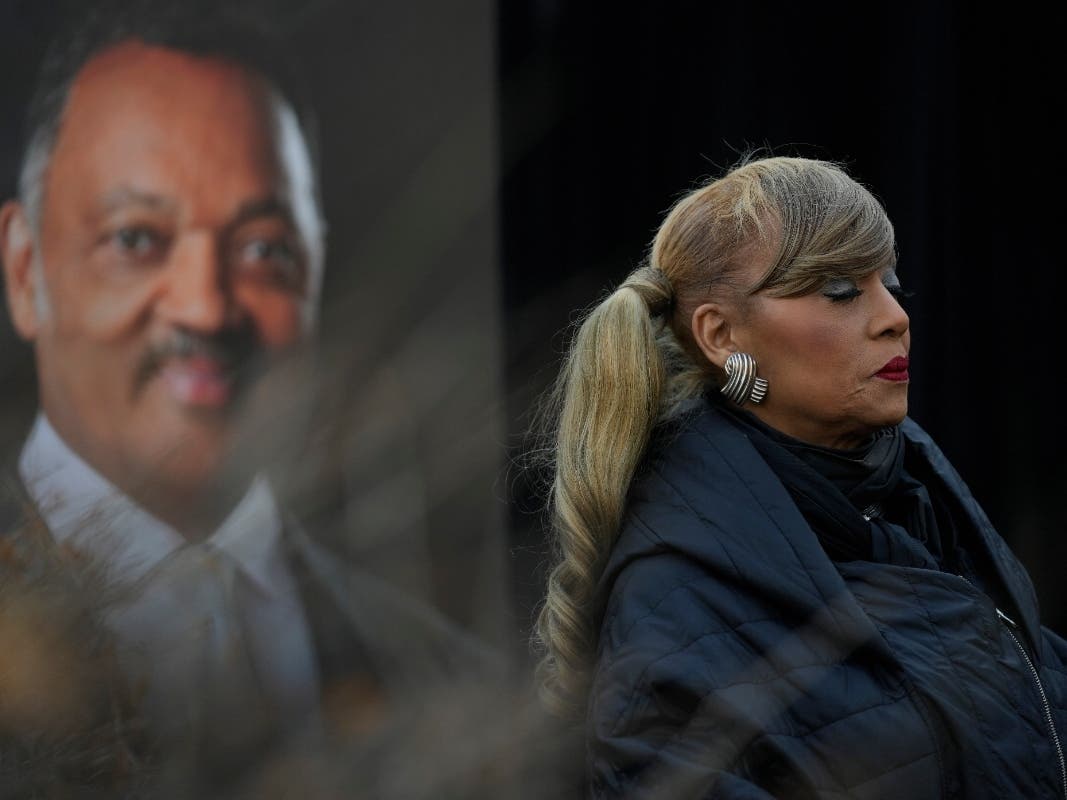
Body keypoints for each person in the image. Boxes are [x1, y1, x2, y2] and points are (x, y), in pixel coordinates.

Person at [0, 3, 500, 796]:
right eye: (137, 238)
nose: (206, 308)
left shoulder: (452, 681)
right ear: (25, 272)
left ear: (316, 269)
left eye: (264, 249)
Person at [533, 155, 1067, 799]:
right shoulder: (675, 606)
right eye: (841, 292)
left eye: (889, 282)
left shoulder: (915, 503)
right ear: (722, 335)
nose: (894, 317)